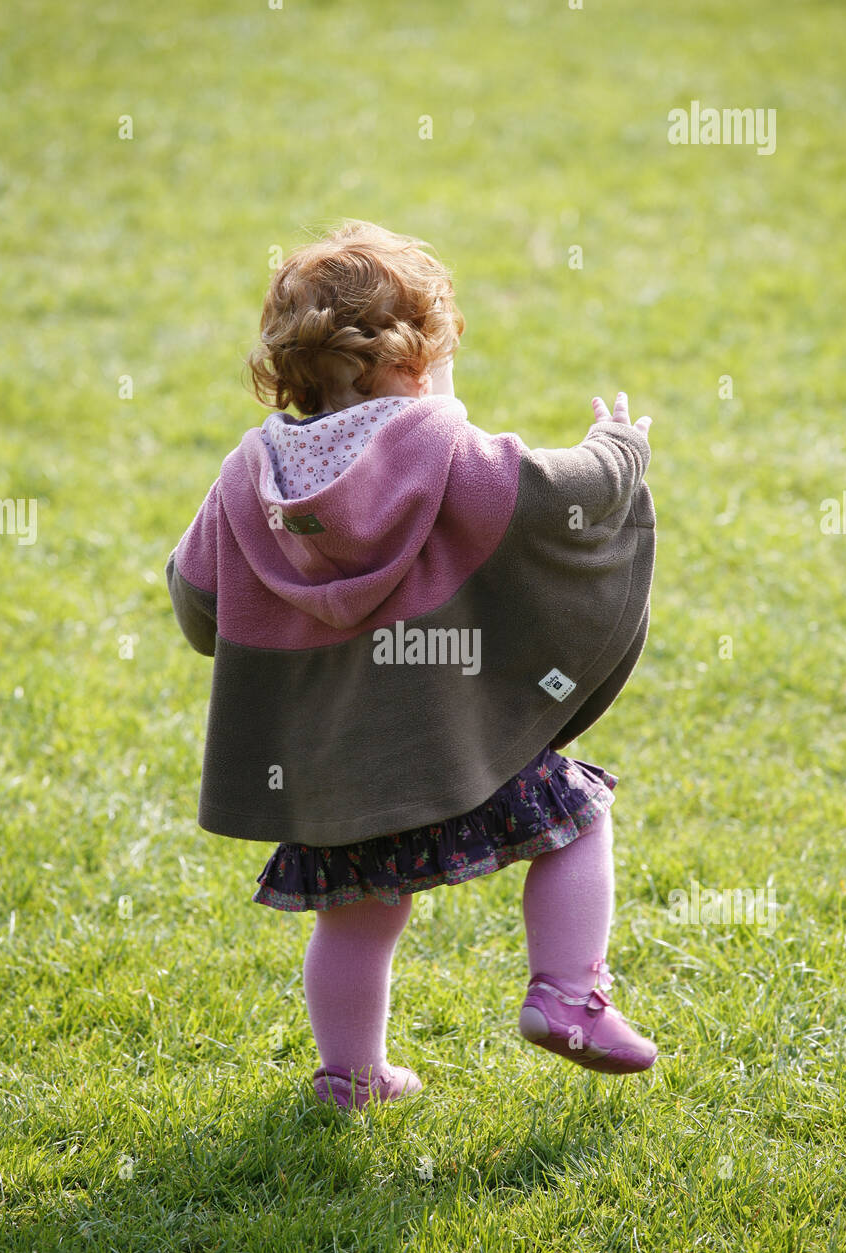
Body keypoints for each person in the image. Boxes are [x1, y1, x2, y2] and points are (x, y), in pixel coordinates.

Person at [166, 219, 658, 1111]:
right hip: (453, 744)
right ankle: (565, 996)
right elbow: (558, 501)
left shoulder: (245, 478)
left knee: (356, 913)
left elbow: (196, 599)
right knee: (578, 820)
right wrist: (619, 449)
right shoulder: (440, 448)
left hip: (332, 772)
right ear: (416, 356)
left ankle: (351, 1077)